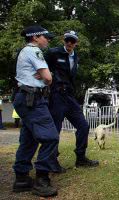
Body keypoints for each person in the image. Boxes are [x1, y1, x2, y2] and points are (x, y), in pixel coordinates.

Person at [12, 25, 58, 197]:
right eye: (46, 37)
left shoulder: (25, 51)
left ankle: (22, 178)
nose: (48, 40)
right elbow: (47, 78)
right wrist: (49, 76)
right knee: (50, 137)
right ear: (35, 37)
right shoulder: (34, 51)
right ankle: (42, 179)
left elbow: (44, 74)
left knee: (29, 138)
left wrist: (46, 74)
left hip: (24, 98)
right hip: (33, 99)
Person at [45, 30, 99, 171]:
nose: (69, 43)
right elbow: (42, 68)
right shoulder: (53, 52)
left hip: (69, 95)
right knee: (55, 129)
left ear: (76, 43)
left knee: (83, 125)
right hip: (56, 95)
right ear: (64, 40)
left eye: (72, 41)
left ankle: (80, 158)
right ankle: (51, 161)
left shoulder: (75, 57)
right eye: (67, 40)